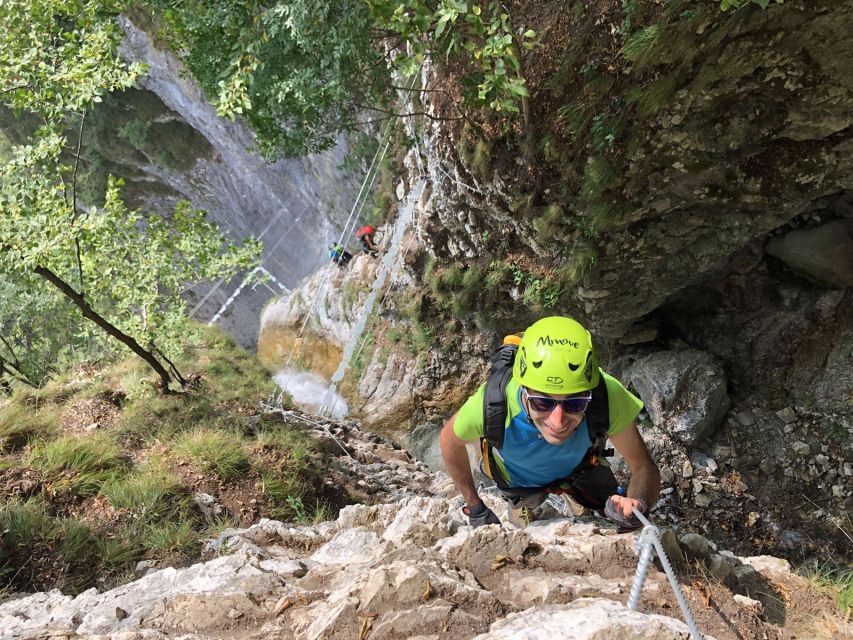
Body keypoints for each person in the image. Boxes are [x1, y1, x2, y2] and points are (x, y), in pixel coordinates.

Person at [439, 315, 660, 530]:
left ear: (589, 392)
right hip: (522, 484)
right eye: (542, 403)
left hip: (581, 469)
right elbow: (449, 442)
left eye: (574, 404)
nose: (558, 421)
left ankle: (577, 501)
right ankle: (528, 506)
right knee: (525, 514)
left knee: (616, 510)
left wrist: (637, 503)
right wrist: (474, 506)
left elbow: (642, 466)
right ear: (523, 391)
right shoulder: (493, 405)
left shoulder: (607, 395)